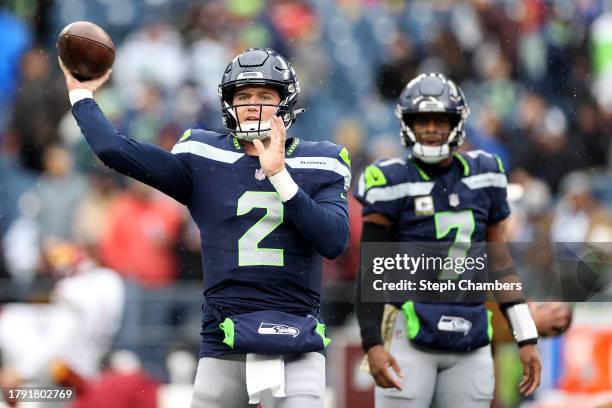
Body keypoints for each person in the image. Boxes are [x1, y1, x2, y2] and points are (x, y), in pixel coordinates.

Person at [59, 47, 351, 408]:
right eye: (243, 96)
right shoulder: (204, 156)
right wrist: (81, 93)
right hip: (223, 341)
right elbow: (112, 149)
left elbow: (334, 240)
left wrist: (279, 176)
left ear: (285, 103)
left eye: (264, 96)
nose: (253, 105)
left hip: (296, 337)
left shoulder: (321, 160)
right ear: (228, 104)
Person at [354, 73, 541, 407]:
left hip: (471, 332)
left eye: (439, 121)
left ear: (457, 123)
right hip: (408, 331)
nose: (429, 129)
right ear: (406, 124)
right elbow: (372, 270)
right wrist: (372, 343)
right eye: (421, 120)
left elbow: (501, 265)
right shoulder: (390, 179)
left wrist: (525, 337)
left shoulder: (485, 173)